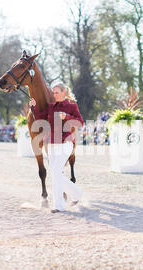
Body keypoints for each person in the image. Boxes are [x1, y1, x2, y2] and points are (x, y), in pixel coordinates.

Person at [29, 82, 84, 213]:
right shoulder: (51, 106)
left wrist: (67, 117)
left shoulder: (71, 106)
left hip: (65, 144)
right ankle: (77, 193)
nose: (54, 95)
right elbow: (41, 117)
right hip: (51, 144)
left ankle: (59, 206)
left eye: (57, 92)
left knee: (56, 173)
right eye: (53, 93)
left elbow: (80, 122)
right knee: (55, 174)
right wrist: (33, 107)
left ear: (64, 92)